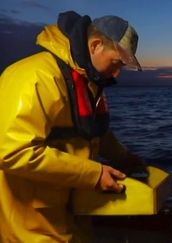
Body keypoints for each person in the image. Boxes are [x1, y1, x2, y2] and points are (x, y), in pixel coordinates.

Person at [0, 11, 147, 242]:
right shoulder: (35, 77)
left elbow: (94, 132)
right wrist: (94, 175)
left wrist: (123, 158)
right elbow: (12, 152)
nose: (117, 73)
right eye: (117, 62)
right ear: (96, 45)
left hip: (71, 217)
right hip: (32, 227)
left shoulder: (85, 82)